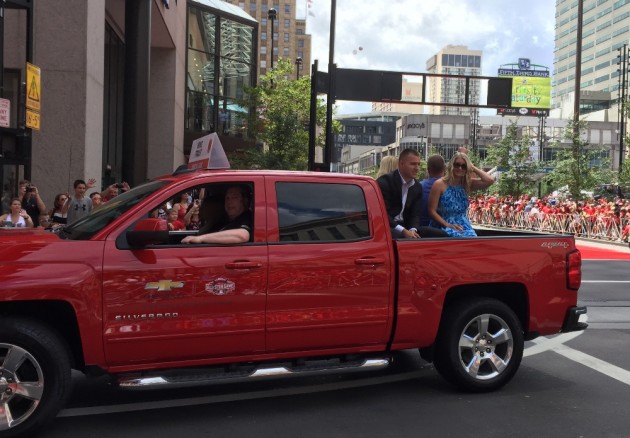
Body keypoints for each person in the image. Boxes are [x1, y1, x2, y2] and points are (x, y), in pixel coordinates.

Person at [377, 149, 447, 238]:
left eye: (418, 164)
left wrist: (412, 230)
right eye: (413, 164)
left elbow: (415, 215)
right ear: (401, 164)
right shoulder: (385, 182)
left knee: (441, 234)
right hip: (388, 227)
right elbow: (383, 214)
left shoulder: (417, 187)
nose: (417, 168)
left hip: (406, 227)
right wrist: (403, 231)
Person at [428, 152, 495, 237]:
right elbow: (431, 211)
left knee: (472, 240)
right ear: (452, 165)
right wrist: (447, 225)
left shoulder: (467, 184)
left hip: (463, 225)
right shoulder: (439, 184)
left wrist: (473, 167)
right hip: (442, 225)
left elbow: (490, 180)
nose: (460, 168)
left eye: (464, 166)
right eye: (457, 165)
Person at [182, 185, 252, 244]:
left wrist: (201, 238)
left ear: (245, 201)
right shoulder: (223, 220)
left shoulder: (247, 218)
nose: (229, 201)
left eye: (234, 197)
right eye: (227, 198)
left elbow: (242, 235)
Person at [419, 155, 445, 226]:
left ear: (428, 169)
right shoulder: (449, 187)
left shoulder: (419, 186)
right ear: (444, 169)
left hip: (422, 228)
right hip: (443, 229)